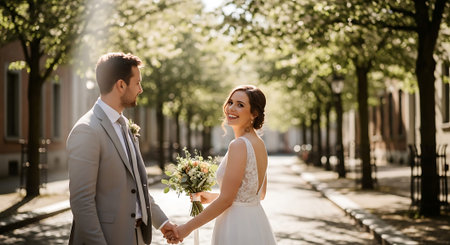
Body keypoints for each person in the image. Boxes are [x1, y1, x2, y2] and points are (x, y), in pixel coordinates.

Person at [67, 52, 179, 245]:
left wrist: (162, 222)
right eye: (137, 83)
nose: (141, 89)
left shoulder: (124, 125)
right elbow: (82, 202)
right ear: (121, 85)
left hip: (136, 237)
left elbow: (136, 187)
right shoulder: (87, 130)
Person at [169, 85, 277, 244]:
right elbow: (258, 194)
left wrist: (186, 228)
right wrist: (212, 196)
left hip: (236, 225)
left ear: (254, 113)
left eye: (240, 105)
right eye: (230, 102)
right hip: (255, 221)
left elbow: (227, 200)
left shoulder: (239, 145)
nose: (231, 108)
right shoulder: (259, 144)